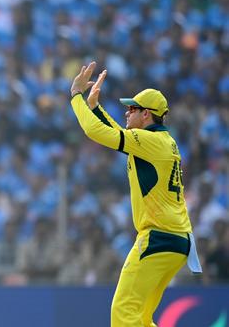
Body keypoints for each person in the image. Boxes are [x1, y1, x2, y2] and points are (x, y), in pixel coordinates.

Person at [69, 61, 202, 326]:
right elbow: (117, 133)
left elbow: (94, 131)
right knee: (140, 318)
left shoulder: (151, 142)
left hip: (158, 238)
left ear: (147, 115)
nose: (127, 113)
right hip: (177, 240)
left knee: (123, 313)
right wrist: (94, 107)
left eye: (132, 109)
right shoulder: (161, 141)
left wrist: (76, 97)